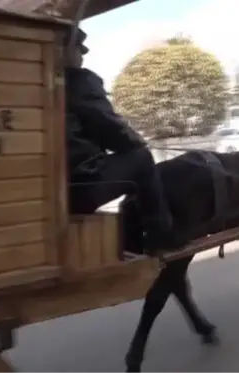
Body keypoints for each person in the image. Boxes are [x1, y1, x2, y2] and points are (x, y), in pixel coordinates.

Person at [64, 28, 187, 252]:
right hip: (80, 187)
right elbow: (113, 130)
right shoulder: (76, 82)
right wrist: (138, 142)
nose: (82, 56)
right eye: (79, 50)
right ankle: (161, 235)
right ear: (66, 49)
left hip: (58, 187)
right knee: (141, 159)